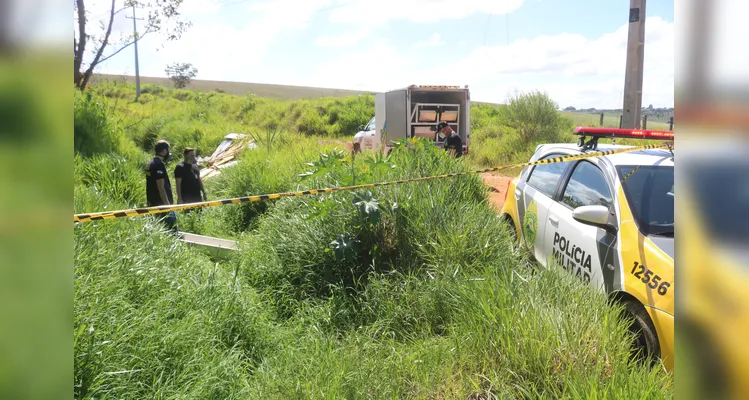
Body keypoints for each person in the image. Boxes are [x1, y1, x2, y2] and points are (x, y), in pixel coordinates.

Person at [145, 140, 178, 233]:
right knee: (172, 232)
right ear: (164, 151)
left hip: (153, 202)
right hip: (162, 204)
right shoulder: (159, 165)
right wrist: (168, 206)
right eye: (168, 150)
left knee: (159, 231)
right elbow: (161, 187)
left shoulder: (150, 163)